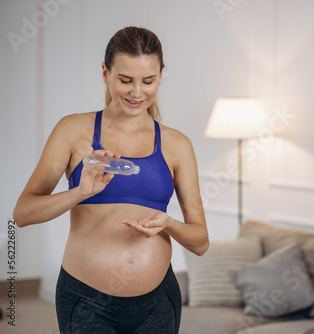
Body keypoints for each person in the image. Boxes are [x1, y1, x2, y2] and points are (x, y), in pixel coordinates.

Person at [13, 26, 209, 334]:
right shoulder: (72, 131)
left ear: (160, 76)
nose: (136, 92)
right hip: (85, 301)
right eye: (125, 80)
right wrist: (79, 192)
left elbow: (200, 242)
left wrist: (168, 224)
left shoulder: (177, 145)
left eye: (148, 81)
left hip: (158, 303)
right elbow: (23, 213)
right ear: (106, 73)